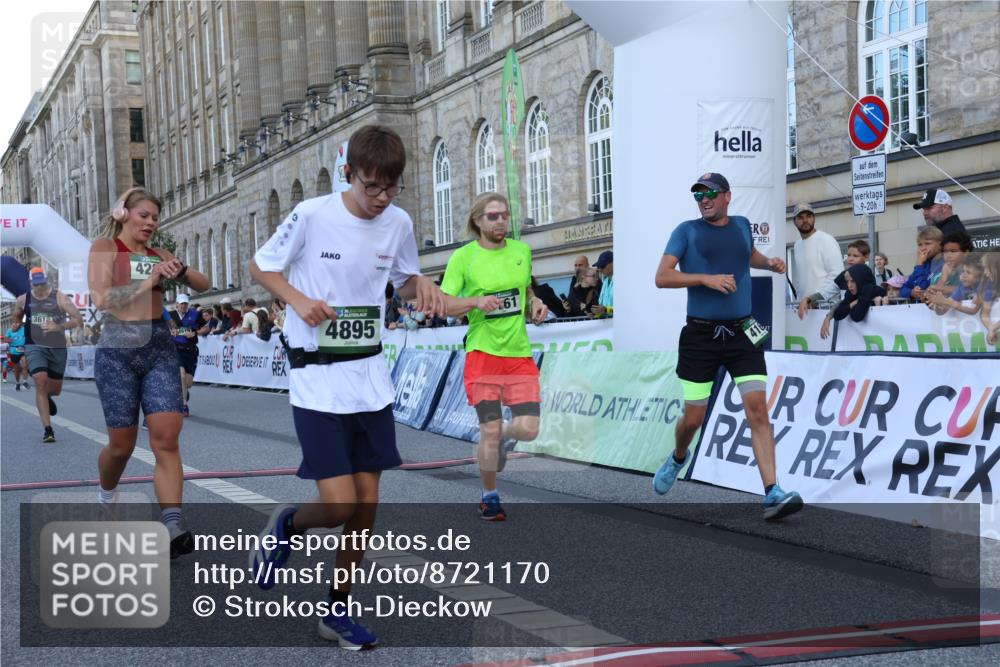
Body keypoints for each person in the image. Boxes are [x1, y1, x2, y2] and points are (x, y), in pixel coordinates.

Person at [247, 124, 447, 649]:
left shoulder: (398, 221)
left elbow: (404, 280)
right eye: (371, 186)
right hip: (317, 378)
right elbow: (261, 266)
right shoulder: (313, 215)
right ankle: (288, 524)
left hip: (369, 378)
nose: (381, 198)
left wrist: (420, 283)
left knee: (366, 505)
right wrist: (296, 298)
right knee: (337, 506)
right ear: (349, 174)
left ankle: (336, 610)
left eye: (391, 188)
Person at [653, 172, 802, 520]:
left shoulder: (742, 225)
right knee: (694, 418)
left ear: (727, 197)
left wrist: (769, 263)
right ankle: (678, 457)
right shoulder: (686, 231)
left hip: (742, 333)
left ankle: (772, 492)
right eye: (698, 195)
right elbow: (662, 276)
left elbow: (746, 255)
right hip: (700, 337)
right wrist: (704, 278)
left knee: (758, 410)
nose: (703, 199)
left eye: (710, 193)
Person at [87, 186, 210, 557]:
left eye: (155, 217)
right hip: (118, 348)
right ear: (123, 213)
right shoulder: (105, 248)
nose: (151, 223)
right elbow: (103, 299)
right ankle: (107, 494)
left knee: (167, 437)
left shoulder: (159, 253)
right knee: (121, 447)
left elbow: (204, 284)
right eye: (143, 215)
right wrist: (150, 280)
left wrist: (181, 271)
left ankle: (172, 525)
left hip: (158, 346)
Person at [440, 192, 548, 521]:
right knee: (489, 430)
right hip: (483, 355)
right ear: (477, 221)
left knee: (529, 430)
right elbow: (445, 304)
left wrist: (535, 302)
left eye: (504, 215)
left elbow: (526, 288)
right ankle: (489, 496)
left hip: (518, 356)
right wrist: (474, 303)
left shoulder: (521, 251)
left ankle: (499, 435)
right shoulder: (464, 257)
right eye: (493, 216)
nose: (501, 221)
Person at [10, 267, 84, 442]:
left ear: (46, 280)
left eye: (42, 283)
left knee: (55, 390)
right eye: (36, 284)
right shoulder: (23, 300)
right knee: (41, 381)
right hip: (34, 345)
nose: (40, 287)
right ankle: (48, 430)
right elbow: (16, 316)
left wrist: (59, 327)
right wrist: (17, 324)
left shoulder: (60, 298)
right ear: (31, 283)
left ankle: (47, 396)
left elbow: (78, 320)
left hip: (57, 347)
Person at [791, 203, 844, 319]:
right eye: (800, 217)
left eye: (809, 216)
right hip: (805, 309)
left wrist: (815, 299)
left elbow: (837, 275)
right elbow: (801, 280)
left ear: (814, 218)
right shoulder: (797, 245)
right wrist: (800, 301)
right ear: (794, 221)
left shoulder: (827, 240)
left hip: (824, 308)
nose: (805, 220)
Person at [170, 293, 209, 417]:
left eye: (185, 303)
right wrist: (170, 332)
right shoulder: (170, 316)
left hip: (190, 350)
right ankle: (184, 405)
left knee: (188, 383)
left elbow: (206, 328)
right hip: (176, 349)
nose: (183, 306)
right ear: (177, 304)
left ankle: (183, 392)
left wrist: (195, 333)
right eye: (181, 303)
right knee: (181, 374)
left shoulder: (195, 314)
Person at [821, 264, 885, 337]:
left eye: (853, 281)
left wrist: (853, 304)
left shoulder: (868, 288)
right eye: (847, 281)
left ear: (861, 279)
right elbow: (838, 314)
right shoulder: (851, 293)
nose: (849, 285)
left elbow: (856, 316)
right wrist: (855, 302)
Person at [900, 226, 944, 302]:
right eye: (920, 245)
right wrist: (911, 292)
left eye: (927, 243)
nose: (923, 248)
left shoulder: (946, 263)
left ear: (940, 244)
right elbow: (903, 288)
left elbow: (923, 288)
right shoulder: (924, 263)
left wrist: (919, 265)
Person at [927, 231, 972, 298]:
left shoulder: (975, 270)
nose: (948, 255)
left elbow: (970, 291)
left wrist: (941, 288)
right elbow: (934, 295)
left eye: (953, 251)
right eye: (945, 252)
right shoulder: (939, 273)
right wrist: (943, 278)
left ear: (966, 253)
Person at [978, 252, 999, 345]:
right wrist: (991, 329)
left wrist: (994, 328)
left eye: (987, 268)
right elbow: (984, 314)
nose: (985, 273)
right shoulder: (991, 285)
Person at [3, 324, 28, 390]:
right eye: (14, 324)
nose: (16, 325)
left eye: (17, 324)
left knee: (25, 364)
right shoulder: (9, 331)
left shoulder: (23, 329)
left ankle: (25, 381)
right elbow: (5, 339)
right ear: (11, 325)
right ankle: (17, 383)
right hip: (14, 351)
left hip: (23, 350)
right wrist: (8, 340)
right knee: (17, 369)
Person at [591, 251, 614, 317]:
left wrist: (606, 310)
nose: (600, 269)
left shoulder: (623, 280)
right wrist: (595, 315)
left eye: (602, 266)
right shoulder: (605, 281)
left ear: (613, 263)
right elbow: (603, 309)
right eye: (598, 266)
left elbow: (625, 309)